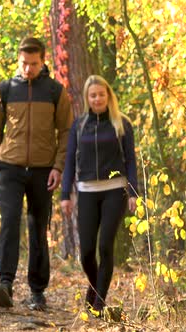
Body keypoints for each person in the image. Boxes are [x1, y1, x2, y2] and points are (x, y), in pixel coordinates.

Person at [0, 37, 72, 311]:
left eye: (33, 64)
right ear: (18, 60)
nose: (28, 68)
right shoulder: (6, 89)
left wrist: (58, 167)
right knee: (9, 223)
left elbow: (67, 132)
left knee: (38, 228)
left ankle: (37, 292)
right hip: (9, 167)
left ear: (43, 61)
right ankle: (5, 284)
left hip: (42, 170)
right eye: (24, 63)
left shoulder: (55, 92)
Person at [60, 75, 138, 315]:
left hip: (115, 190)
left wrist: (134, 192)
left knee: (105, 246)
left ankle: (99, 303)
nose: (97, 99)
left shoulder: (121, 123)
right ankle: (94, 287)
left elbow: (131, 161)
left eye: (101, 94)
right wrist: (65, 194)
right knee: (85, 253)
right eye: (92, 95)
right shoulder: (79, 125)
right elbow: (70, 161)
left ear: (108, 96)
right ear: (87, 98)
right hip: (86, 193)